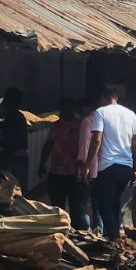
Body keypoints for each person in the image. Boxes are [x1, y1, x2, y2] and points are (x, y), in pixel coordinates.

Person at [81, 86, 136, 243]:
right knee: (115, 203)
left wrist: (87, 165)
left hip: (108, 166)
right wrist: (135, 168)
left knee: (103, 205)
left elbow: (97, 139)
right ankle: (116, 236)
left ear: (104, 98)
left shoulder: (101, 112)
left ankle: (114, 239)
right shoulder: (131, 114)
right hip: (126, 167)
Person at [40, 98, 89, 230]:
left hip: (75, 174)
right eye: (63, 108)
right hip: (56, 172)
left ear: (73, 109)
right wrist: (41, 163)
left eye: (69, 108)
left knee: (76, 207)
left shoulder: (81, 126)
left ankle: (76, 233)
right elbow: (48, 145)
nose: (66, 111)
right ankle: (60, 230)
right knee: (57, 206)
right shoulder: (55, 125)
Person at [75, 99, 103, 233]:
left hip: (90, 168)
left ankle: (88, 231)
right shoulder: (104, 119)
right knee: (98, 204)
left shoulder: (87, 121)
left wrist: (82, 165)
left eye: (80, 110)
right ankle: (100, 233)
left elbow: (85, 145)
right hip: (103, 168)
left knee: (82, 203)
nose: (79, 114)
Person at [0, 87, 31, 190]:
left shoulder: (14, 117)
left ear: (8, 101)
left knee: (12, 192)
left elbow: (10, 141)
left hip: (14, 160)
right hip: (18, 159)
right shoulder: (16, 116)